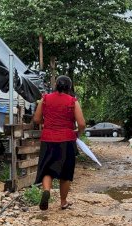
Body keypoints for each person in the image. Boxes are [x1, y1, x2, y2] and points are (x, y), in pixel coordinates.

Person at [33, 75, 86, 210]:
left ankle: (46, 191)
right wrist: (77, 133)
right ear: (69, 87)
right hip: (67, 140)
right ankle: (63, 202)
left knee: (47, 168)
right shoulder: (73, 101)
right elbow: (81, 123)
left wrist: (49, 123)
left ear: (56, 85)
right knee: (66, 173)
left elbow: (37, 119)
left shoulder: (45, 99)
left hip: (48, 139)